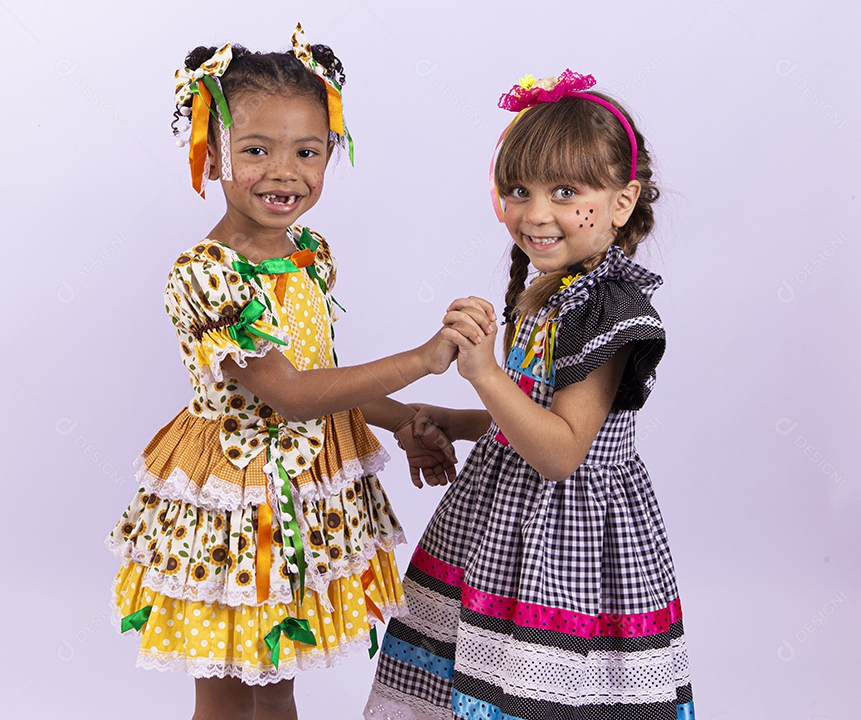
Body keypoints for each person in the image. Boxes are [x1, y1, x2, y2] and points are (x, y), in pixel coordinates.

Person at [105, 25, 458, 720]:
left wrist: (410, 419)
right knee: (229, 684)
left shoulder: (309, 254)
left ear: (331, 153)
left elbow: (323, 377)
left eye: (307, 151)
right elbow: (291, 394)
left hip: (306, 488)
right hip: (238, 496)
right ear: (212, 157)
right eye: (256, 150)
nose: (283, 171)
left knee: (278, 678)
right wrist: (422, 359)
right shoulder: (206, 274)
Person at [365, 70, 694, 720]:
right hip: (504, 525)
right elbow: (529, 418)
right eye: (519, 190)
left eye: (566, 191)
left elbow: (561, 453)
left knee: (539, 691)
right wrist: (454, 422)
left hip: (567, 540)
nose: (535, 213)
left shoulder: (605, 308)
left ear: (622, 202)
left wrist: (483, 374)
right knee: (480, 679)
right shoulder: (551, 292)